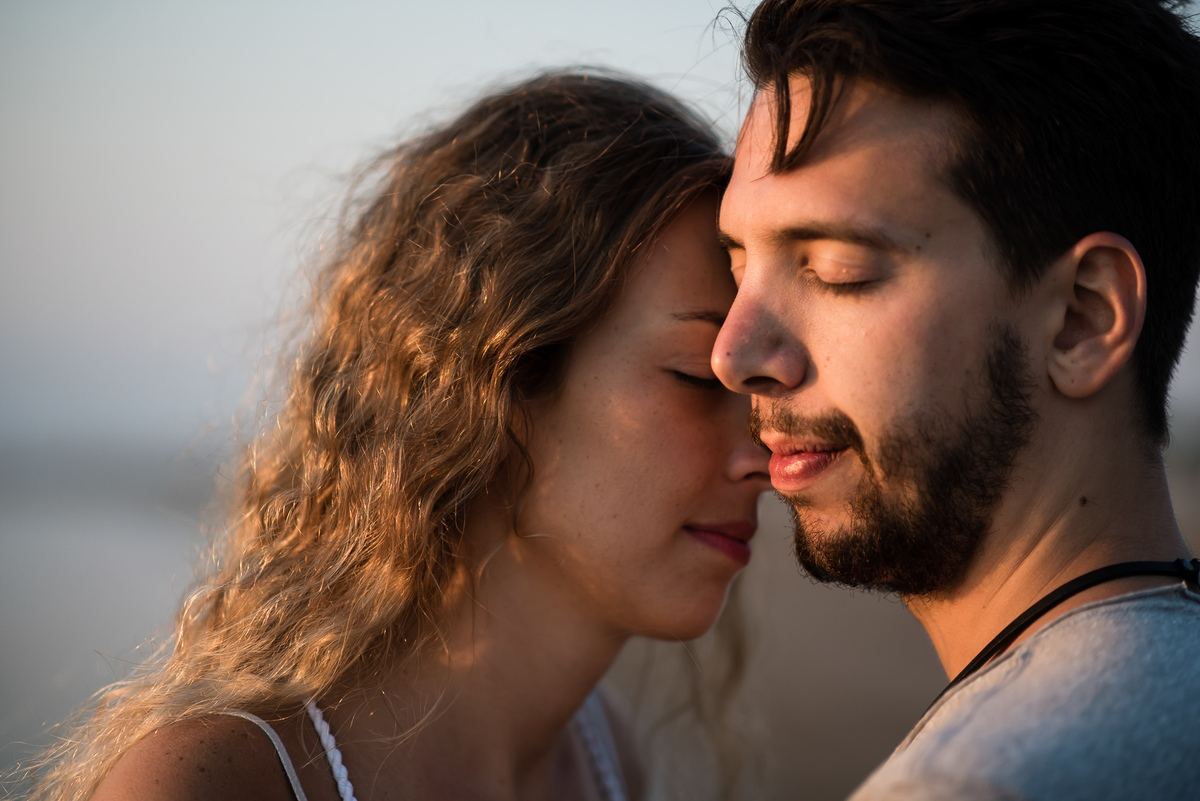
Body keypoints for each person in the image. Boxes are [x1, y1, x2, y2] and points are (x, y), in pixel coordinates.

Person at [24, 70, 771, 801]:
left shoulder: (607, 760)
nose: (762, 455)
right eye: (697, 379)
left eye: (759, 389)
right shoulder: (215, 782)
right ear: (495, 379)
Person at [714, 1, 1200, 798]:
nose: (732, 353)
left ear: (1084, 317)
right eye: (737, 270)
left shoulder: (971, 781)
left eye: (836, 269)